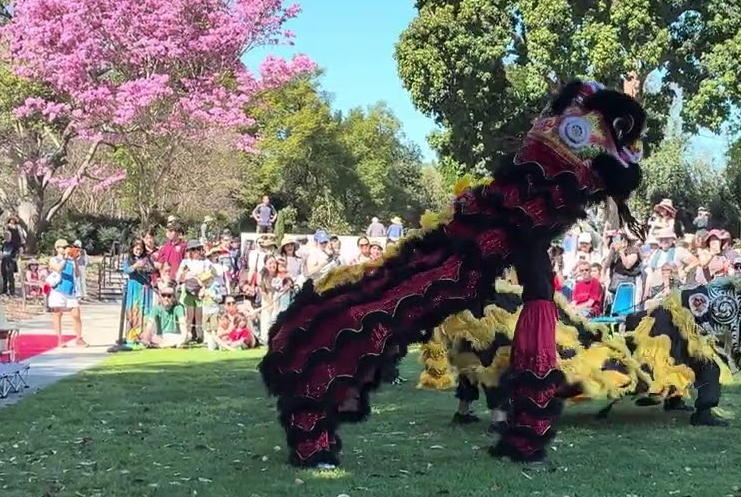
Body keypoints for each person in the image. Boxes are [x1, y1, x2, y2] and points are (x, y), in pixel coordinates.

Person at [259, 81, 647, 468]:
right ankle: (310, 423)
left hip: (495, 252)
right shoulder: (548, 158)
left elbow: (587, 182)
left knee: (537, 295)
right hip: (464, 256)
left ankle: (525, 434)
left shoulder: (556, 171)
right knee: (380, 313)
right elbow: (566, 176)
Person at [47, 238, 86, 348]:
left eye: (67, 247)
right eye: (63, 247)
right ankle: (59, 338)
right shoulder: (53, 259)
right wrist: (65, 258)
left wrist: (75, 260)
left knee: (76, 314)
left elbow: (77, 274)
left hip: (70, 290)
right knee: (57, 313)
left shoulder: (70, 261)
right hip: (58, 290)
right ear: (57, 248)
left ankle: (79, 338)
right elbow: (58, 268)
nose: (66, 249)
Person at [123, 240, 156, 344]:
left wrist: (145, 266)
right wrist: (135, 266)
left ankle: (143, 336)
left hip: (145, 287)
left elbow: (153, 269)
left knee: (144, 310)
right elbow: (126, 270)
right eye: (137, 249)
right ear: (132, 249)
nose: (139, 251)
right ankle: (131, 337)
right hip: (134, 287)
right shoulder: (129, 259)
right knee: (133, 311)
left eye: (141, 249)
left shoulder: (147, 258)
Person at [0, 215, 26, 296]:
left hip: (12, 255)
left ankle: (12, 291)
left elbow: (21, 240)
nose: (12, 221)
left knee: (10, 273)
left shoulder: (18, 228)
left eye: (13, 220)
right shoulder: (6, 229)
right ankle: (4, 289)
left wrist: (17, 256)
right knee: (3, 272)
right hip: (5, 257)